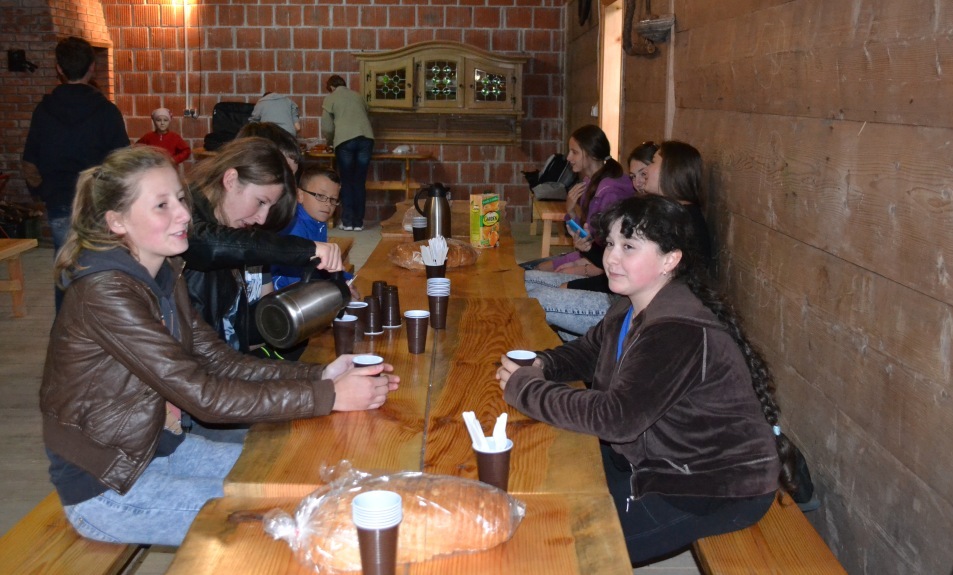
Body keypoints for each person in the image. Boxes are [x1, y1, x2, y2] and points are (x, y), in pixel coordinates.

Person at [40, 146, 399, 546]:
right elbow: (204, 395)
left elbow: (218, 360)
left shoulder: (163, 273)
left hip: (159, 450)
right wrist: (328, 395)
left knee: (309, 479)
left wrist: (320, 375)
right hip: (108, 486)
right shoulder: (106, 293)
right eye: (162, 205)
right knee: (288, 522)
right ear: (117, 221)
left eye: (180, 199)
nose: (183, 214)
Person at [497, 195, 796, 565]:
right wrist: (541, 363)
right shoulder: (632, 304)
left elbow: (616, 418)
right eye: (610, 243)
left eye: (629, 247)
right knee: (545, 481)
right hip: (654, 459)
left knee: (561, 545)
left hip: (707, 486)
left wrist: (526, 389)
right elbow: (588, 353)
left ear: (670, 260)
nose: (611, 258)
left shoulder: (676, 331)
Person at [182, 137, 343, 355]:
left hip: (227, 363)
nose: (262, 218)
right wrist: (307, 249)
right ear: (231, 180)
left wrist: (308, 308)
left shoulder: (231, 226)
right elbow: (207, 244)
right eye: (260, 202)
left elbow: (237, 328)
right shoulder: (185, 219)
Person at [21, 36, 129, 309]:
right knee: (102, 272)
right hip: (98, 205)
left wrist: (42, 192)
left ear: (58, 68)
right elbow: (122, 163)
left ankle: (65, 329)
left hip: (60, 203)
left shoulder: (43, 111)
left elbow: (30, 163)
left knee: (66, 274)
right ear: (92, 67)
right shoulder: (107, 111)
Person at [521, 125, 633, 275]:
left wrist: (578, 267)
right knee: (526, 268)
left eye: (574, 152)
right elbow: (585, 233)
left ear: (591, 154)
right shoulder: (589, 182)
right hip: (587, 254)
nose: (568, 158)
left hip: (597, 263)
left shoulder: (610, 193)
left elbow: (604, 248)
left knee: (531, 273)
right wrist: (571, 210)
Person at [272, 164, 346, 290]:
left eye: (333, 199)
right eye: (320, 196)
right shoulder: (294, 227)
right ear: (300, 195)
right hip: (285, 290)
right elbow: (296, 281)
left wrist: (346, 280)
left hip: (309, 280)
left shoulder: (317, 220)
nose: (328, 204)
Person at [322, 74, 374, 231]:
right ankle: (358, 222)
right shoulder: (358, 96)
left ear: (331, 87)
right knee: (359, 181)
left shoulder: (331, 98)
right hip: (366, 139)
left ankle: (347, 222)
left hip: (345, 141)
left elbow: (327, 127)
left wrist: (330, 142)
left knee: (346, 181)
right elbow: (366, 114)